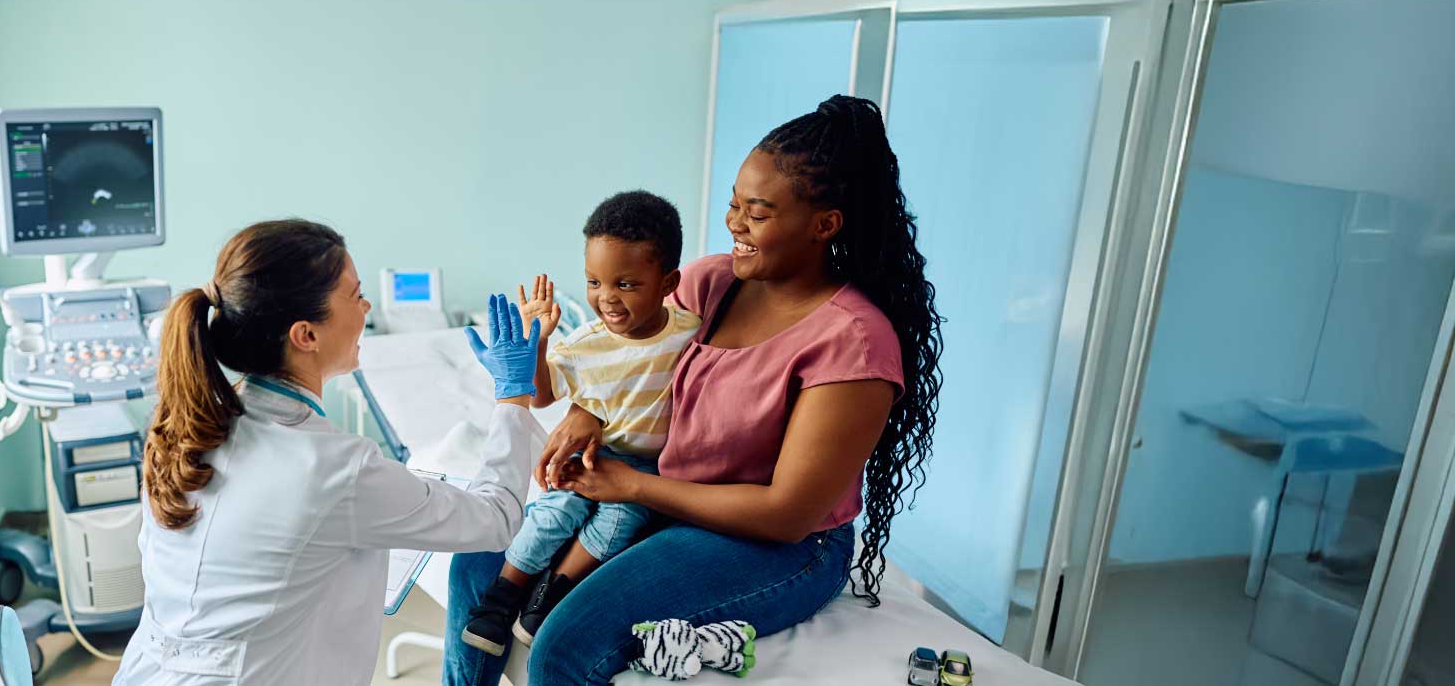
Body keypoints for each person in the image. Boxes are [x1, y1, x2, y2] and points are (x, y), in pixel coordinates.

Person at [442, 95, 944, 685]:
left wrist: (633, 485)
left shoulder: (854, 343)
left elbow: (786, 514)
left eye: (756, 213)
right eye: (734, 205)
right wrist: (586, 411)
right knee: (479, 557)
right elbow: (636, 357)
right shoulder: (714, 282)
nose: (734, 224)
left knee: (563, 646)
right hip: (663, 493)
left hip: (777, 544)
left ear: (824, 225)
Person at [114, 219, 549, 686]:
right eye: (356, 295)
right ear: (306, 335)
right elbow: (498, 517)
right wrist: (512, 395)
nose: (366, 307)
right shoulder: (335, 467)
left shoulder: (184, 428)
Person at [459, 191, 701, 655]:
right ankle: (502, 596)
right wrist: (538, 346)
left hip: (647, 468)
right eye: (593, 282)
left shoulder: (691, 333)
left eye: (626, 284)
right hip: (595, 452)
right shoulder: (588, 342)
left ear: (668, 281)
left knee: (618, 522)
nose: (605, 298)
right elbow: (544, 392)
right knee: (555, 511)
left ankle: (552, 593)